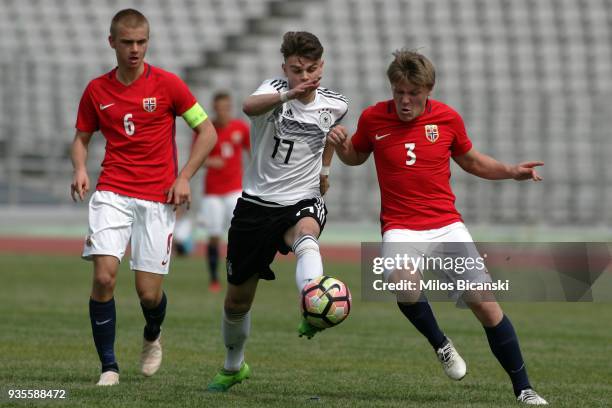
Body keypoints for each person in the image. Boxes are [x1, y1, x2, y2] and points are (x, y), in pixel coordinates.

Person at [327, 49, 548, 405]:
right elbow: (356, 156)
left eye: (413, 92)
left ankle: (524, 389)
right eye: (398, 91)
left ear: (428, 89)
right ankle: (441, 344)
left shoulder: (447, 119)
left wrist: (511, 171)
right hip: (400, 226)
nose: (404, 100)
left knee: (485, 305)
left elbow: (472, 161)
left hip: (446, 225)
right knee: (401, 279)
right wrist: (341, 149)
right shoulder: (373, 119)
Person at [70, 9, 217, 386]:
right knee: (104, 277)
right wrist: (81, 168)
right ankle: (108, 367)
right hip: (112, 192)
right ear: (112, 43)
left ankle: (152, 333)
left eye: (141, 42)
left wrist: (184, 176)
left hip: (157, 198)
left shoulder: (168, 85)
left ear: (147, 42)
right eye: (127, 42)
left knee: (148, 294)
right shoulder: (96, 90)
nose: (135, 50)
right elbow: (82, 138)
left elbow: (207, 132)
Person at [206, 31, 348, 392]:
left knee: (306, 234)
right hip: (255, 204)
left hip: (301, 198)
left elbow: (327, 136)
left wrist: (326, 170)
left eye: (312, 69)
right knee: (237, 300)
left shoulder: (336, 104)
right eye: (297, 69)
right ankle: (234, 365)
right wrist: (287, 94)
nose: (305, 76)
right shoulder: (272, 91)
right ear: (285, 67)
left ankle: (312, 304)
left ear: (322, 66)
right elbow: (249, 107)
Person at [173, 92, 250, 293]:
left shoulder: (240, 128)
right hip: (213, 193)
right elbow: (195, 158)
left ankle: (240, 275)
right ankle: (214, 279)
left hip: (235, 190)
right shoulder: (205, 130)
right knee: (214, 236)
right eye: (219, 108)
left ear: (230, 108)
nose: (222, 111)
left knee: (240, 234)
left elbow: (253, 152)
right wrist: (209, 161)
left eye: (226, 107)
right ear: (214, 109)